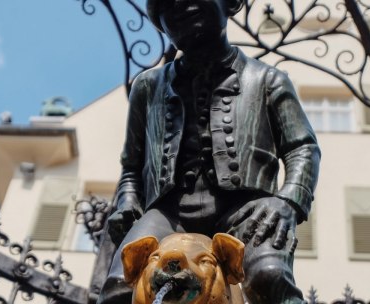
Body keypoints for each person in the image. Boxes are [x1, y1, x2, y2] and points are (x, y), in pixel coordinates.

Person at [98, 0, 320, 302]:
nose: (180, 7)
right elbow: (131, 166)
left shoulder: (268, 80)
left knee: (270, 275)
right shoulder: (148, 87)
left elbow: (302, 147)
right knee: (120, 284)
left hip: (247, 209)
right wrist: (127, 201)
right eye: (168, 6)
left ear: (231, 4)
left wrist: (289, 200)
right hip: (168, 212)